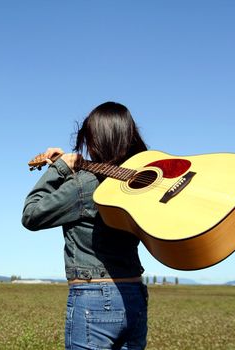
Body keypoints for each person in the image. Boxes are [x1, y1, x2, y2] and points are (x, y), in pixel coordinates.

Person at [22, 101, 149, 350]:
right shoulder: (140, 182)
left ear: (95, 140)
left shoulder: (86, 185)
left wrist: (58, 169)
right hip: (134, 294)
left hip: (94, 298)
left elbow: (31, 214)